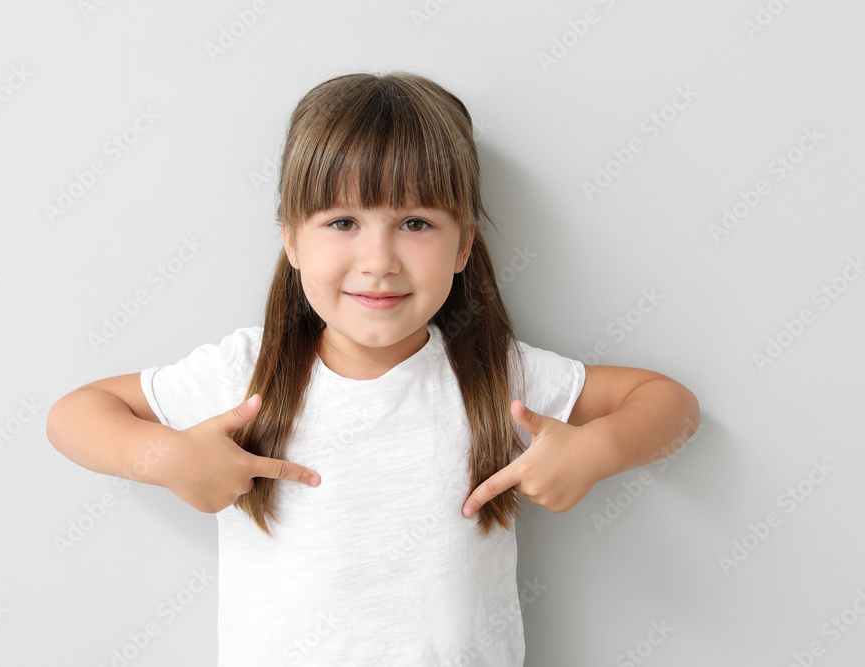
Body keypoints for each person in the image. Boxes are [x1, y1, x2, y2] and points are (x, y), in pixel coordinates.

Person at [46, 70, 700, 666]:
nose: (378, 258)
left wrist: (595, 450)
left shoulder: (497, 376)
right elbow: (73, 414)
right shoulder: (248, 370)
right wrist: (163, 458)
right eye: (343, 222)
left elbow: (669, 403)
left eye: (414, 222)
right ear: (292, 239)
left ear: (463, 243)